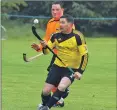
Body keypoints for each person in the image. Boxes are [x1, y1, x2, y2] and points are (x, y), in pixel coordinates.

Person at [38, 14, 88, 110]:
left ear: (70, 24)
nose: (60, 24)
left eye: (63, 22)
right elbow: (46, 52)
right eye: (60, 22)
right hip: (57, 66)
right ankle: (44, 105)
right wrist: (44, 46)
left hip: (71, 68)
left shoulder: (78, 36)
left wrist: (80, 71)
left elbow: (85, 55)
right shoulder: (55, 36)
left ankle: (47, 107)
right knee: (45, 91)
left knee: (61, 87)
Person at [31, 1, 75, 107]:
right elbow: (47, 39)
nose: (54, 12)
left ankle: (61, 94)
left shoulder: (66, 23)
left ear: (62, 10)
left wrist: (52, 45)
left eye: (57, 10)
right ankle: (59, 99)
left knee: (55, 78)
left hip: (65, 57)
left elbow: (67, 39)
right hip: (54, 55)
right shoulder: (50, 22)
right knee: (53, 77)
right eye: (53, 10)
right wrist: (40, 47)